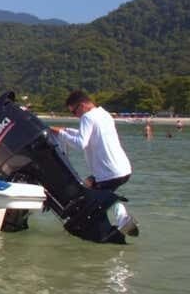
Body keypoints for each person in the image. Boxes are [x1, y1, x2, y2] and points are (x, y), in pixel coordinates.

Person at [49, 90, 139, 237]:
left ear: (82, 105)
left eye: (74, 111)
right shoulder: (104, 114)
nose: (76, 115)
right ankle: (123, 219)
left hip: (109, 172)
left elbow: (80, 143)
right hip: (123, 168)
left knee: (90, 198)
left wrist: (61, 134)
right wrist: (65, 130)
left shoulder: (87, 117)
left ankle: (111, 225)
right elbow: (87, 135)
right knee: (97, 190)